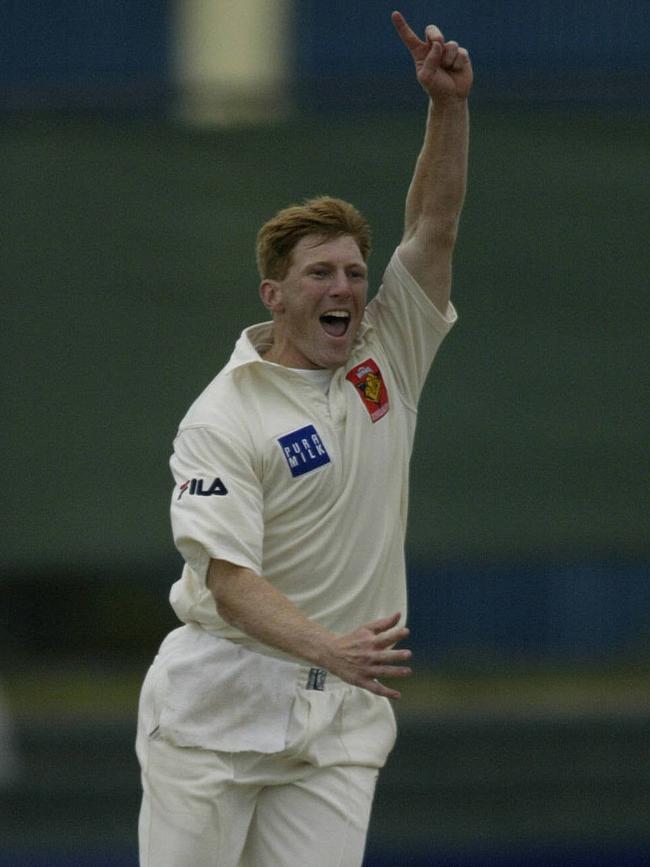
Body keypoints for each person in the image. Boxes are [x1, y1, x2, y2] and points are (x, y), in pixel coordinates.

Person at [136, 11, 472, 867]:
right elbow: (230, 580)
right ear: (273, 295)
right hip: (218, 708)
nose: (346, 288)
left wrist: (447, 107)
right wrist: (334, 644)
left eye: (356, 272)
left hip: (336, 722)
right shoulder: (223, 416)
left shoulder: (384, 359)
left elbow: (431, 230)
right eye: (320, 272)